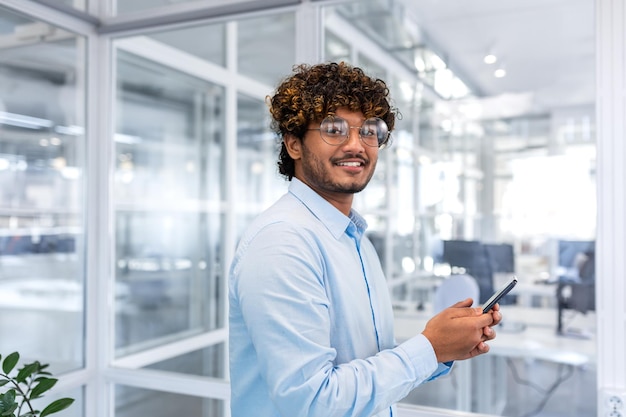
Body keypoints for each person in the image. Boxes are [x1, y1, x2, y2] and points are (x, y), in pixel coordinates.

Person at [228, 62, 502, 417]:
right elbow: (312, 402)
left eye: (370, 131)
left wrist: (444, 347)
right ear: (293, 144)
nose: (356, 145)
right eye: (334, 129)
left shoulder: (353, 238)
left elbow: (367, 368)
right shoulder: (283, 243)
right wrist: (429, 348)